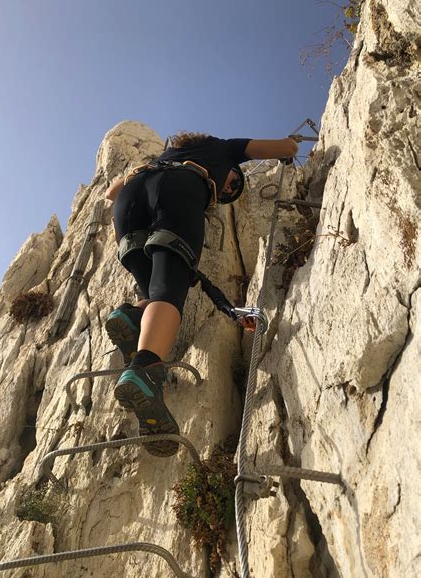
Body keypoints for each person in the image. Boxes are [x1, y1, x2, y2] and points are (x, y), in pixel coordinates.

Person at [104, 132, 298, 458]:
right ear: (232, 169)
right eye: (232, 185)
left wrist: (138, 174)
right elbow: (285, 147)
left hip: (130, 201)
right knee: (169, 288)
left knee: (151, 288)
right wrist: (289, 152)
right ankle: (145, 370)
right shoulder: (225, 148)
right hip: (179, 190)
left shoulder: (162, 156)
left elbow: (111, 193)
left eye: (229, 195)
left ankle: (132, 318)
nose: (227, 190)